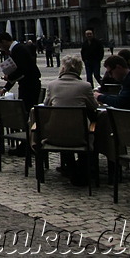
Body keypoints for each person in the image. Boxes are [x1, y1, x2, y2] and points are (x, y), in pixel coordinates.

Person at [43, 56, 97, 185]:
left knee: (63, 128)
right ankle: (82, 169)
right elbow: (94, 107)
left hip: (55, 135)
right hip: (79, 136)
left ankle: (71, 167)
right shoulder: (85, 86)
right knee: (85, 131)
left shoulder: (52, 85)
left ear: (62, 68)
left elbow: (46, 105)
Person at [0, 31, 41, 112]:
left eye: (0, 46)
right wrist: (5, 88)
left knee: (27, 111)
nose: (1, 48)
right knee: (25, 110)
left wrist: (9, 77)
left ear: (4, 42)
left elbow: (21, 70)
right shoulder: (17, 48)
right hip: (27, 84)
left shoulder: (18, 49)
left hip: (29, 85)